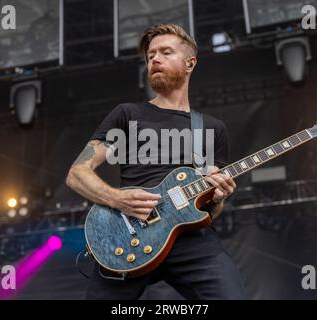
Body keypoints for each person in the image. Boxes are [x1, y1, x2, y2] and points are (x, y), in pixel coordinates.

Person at [66, 23, 245, 299]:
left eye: (166, 52)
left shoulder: (213, 129)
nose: (155, 59)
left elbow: (209, 211)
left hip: (190, 241)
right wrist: (117, 199)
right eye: (150, 56)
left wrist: (219, 199)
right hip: (128, 235)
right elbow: (77, 173)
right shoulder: (127, 114)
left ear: (190, 63)